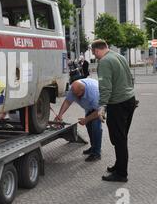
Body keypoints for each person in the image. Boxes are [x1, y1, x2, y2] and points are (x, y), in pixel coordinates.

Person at [91, 40, 137, 183]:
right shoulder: (120, 57)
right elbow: (130, 78)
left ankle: (121, 174)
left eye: (94, 53)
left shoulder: (104, 62)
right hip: (129, 100)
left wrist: (102, 107)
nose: (95, 56)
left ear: (97, 50)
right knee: (121, 137)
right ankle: (119, 165)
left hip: (117, 104)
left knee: (119, 139)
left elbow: (105, 87)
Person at [55, 79, 102, 162]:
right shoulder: (74, 89)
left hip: (99, 108)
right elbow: (67, 102)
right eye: (74, 94)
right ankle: (93, 147)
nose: (75, 97)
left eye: (77, 95)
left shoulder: (94, 93)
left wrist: (86, 119)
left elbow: (98, 111)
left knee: (96, 127)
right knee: (89, 127)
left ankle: (96, 153)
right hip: (89, 108)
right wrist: (60, 115)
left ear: (82, 90)